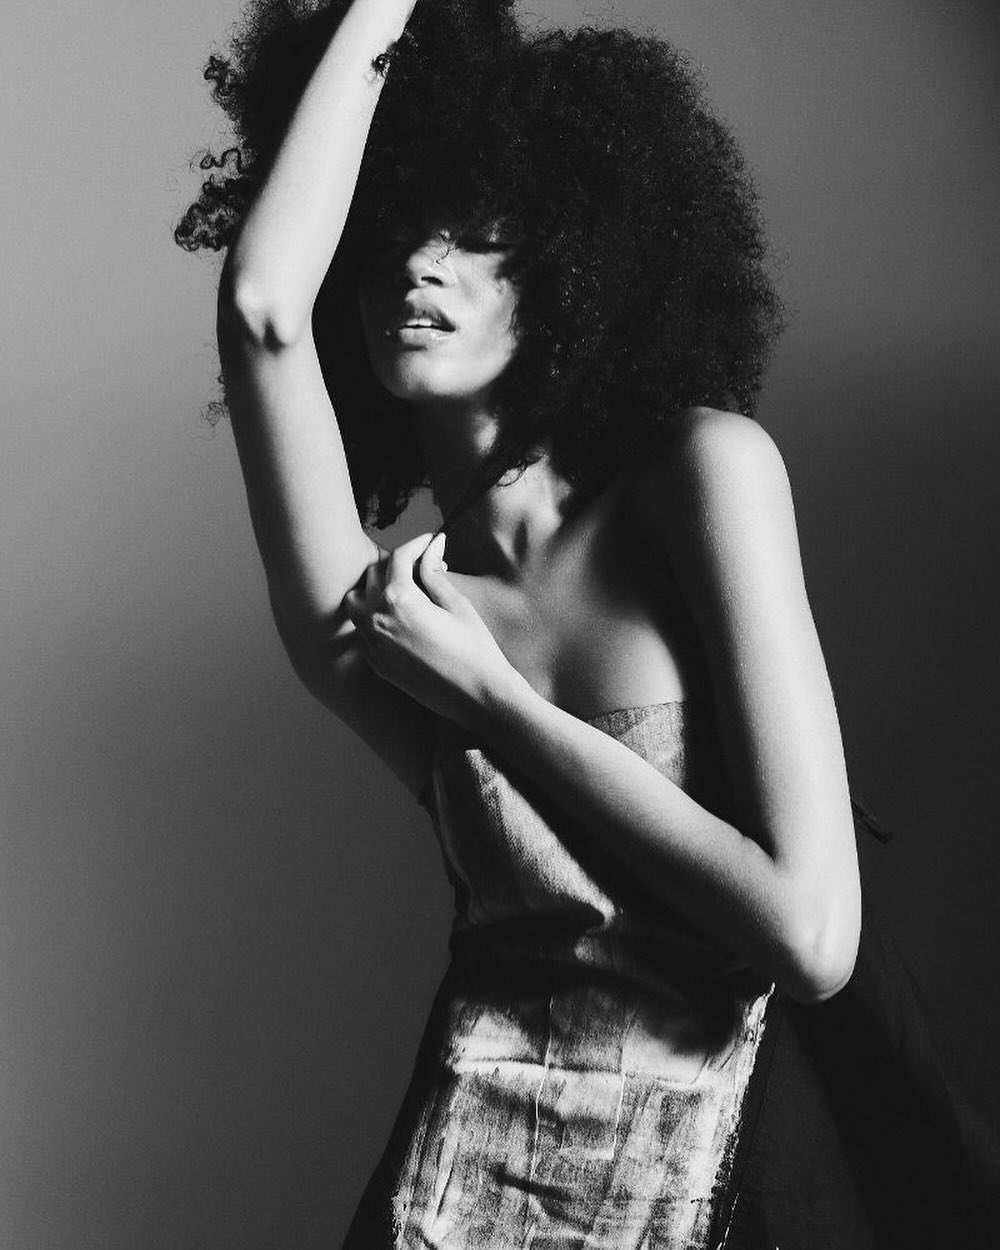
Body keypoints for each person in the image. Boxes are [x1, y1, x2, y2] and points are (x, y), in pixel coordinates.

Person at [176, 1, 990, 1246]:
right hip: (453, 1198)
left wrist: (494, 702)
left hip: (719, 1189)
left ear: (567, 269)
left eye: (477, 234)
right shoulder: (389, 616)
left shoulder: (699, 476)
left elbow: (811, 934)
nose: (420, 264)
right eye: (391, 230)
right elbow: (259, 309)